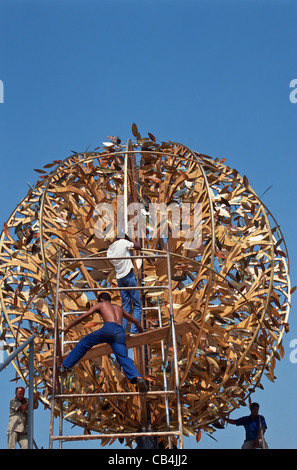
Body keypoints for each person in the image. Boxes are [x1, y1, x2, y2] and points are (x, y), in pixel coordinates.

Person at [58, 292, 147, 392]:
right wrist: (141, 333)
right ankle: (137, 377)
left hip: (109, 328)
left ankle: (64, 366)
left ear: (101, 299)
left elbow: (83, 317)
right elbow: (135, 321)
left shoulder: (101, 305)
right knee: (123, 357)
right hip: (119, 333)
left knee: (84, 342)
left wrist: (67, 328)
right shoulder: (118, 308)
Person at [107, 234, 143, 334]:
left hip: (119, 277)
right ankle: (133, 331)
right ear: (122, 238)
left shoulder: (110, 248)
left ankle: (121, 331)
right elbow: (138, 246)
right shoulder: (123, 242)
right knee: (137, 306)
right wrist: (130, 239)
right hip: (129, 275)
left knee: (126, 306)